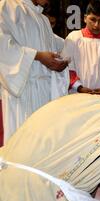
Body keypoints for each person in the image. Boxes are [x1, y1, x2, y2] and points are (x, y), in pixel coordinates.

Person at [0, 0, 69, 143]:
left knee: (43, 143)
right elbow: (3, 47)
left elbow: (54, 48)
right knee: (22, 143)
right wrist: (37, 56)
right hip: (22, 91)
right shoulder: (7, 6)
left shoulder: (42, 18)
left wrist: (58, 63)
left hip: (44, 93)